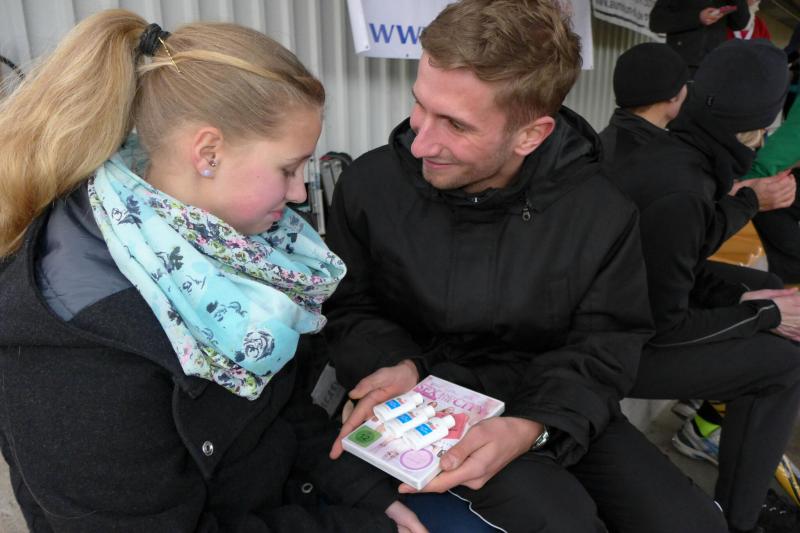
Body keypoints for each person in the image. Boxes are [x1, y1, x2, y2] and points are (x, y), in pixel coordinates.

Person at [0, 10, 429, 532]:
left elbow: (280, 401)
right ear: (208, 153)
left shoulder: (223, 240)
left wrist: (360, 492)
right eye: (288, 169)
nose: (300, 192)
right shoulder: (78, 344)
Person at [323, 0, 728, 531]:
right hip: (421, 403)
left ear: (530, 135)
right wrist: (398, 364)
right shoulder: (370, 185)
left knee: (690, 524)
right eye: (420, 104)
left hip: (545, 396)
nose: (420, 141)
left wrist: (535, 425)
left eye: (456, 124)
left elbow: (606, 344)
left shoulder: (601, 213)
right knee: (562, 520)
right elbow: (347, 306)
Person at [609, 39, 800, 533]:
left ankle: (726, 441)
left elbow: (677, 266)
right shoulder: (683, 189)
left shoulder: (670, 148)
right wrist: (764, 314)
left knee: (766, 286)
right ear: (755, 127)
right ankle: (739, 519)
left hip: (623, 311)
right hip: (611, 352)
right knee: (784, 362)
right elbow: (665, 328)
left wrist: (745, 298)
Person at [650, 0, 749, 74]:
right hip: (681, 64)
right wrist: (698, 17)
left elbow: (740, 24)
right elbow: (656, 22)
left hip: (715, 64)